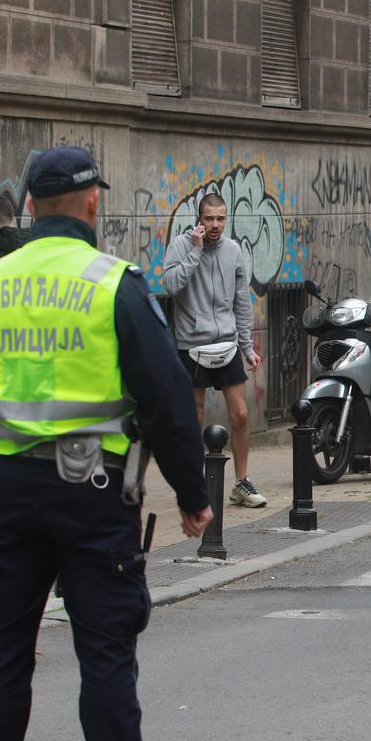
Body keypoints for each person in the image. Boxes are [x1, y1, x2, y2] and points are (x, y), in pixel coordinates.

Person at [0, 146, 212, 741]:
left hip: (3, 488)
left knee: (1, 649)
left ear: (29, 206)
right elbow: (166, 398)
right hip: (91, 492)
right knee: (104, 654)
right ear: (92, 202)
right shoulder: (112, 284)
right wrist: (193, 495)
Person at [160, 192, 266, 507]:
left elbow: (241, 302)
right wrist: (194, 251)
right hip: (192, 344)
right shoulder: (181, 246)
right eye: (209, 218)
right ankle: (196, 483)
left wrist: (247, 347)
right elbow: (170, 285)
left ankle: (241, 482)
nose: (215, 224)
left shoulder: (233, 250)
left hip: (228, 343)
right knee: (196, 415)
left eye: (220, 218)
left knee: (241, 413)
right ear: (199, 219)